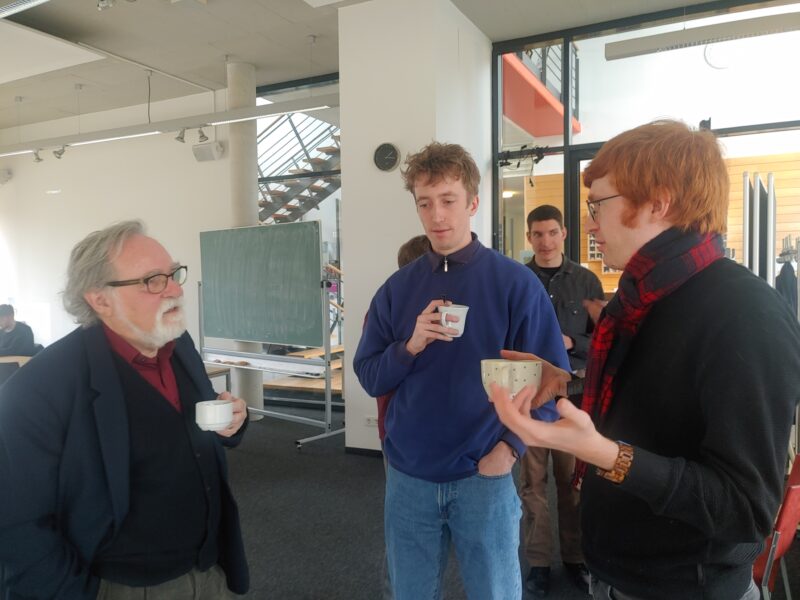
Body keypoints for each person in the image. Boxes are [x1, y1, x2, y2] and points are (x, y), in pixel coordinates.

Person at [489, 120, 800, 600]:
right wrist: (568, 380)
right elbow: (652, 403)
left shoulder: (744, 313)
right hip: (619, 574)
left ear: (659, 202)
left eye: (598, 205)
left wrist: (604, 454)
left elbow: (746, 507)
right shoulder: (638, 299)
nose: (591, 222)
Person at [354, 142, 570, 600]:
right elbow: (371, 376)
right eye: (425, 203)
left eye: (448, 200)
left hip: (484, 474)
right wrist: (409, 345)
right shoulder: (396, 290)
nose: (437, 215)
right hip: (409, 476)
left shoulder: (516, 284)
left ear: (472, 203)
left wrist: (510, 450)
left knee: (495, 593)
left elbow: (551, 385)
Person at [0, 220, 249, 600]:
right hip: (121, 586)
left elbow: (196, 431)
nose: (177, 289)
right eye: (153, 280)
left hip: (210, 570)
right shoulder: (39, 389)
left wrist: (232, 422)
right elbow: (19, 524)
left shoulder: (177, 344)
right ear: (99, 300)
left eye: (173, 274)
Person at [520, 205, 604, 597]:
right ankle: (538, 563)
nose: (545, 241)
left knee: (571, 485)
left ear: (564, 234)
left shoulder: (586, 282)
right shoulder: (517, 279)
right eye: (538, 234)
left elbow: (604, 341)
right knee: (531, 487)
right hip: (532, 397)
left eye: (552, 233)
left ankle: (575, 559)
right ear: (529, 237)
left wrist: (573, 342)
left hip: (572, 399)